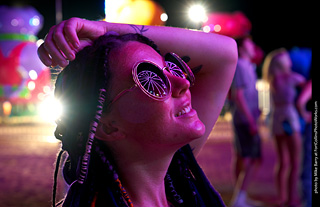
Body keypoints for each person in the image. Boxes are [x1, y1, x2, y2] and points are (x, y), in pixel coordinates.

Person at [37, 18, 238, 207]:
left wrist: (105, 30)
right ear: (108, 126)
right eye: (150, 80)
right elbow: (225, 54)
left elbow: (226, 52)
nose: (183, 83)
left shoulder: (175, 181)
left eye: (171, 68)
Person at [262, 48, 305, 207]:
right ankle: (292, 199)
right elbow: (305, 84)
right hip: (289, 118)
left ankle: (282, 197)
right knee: (295, 162)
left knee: (282, 162)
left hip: (276, 120)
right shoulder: (291, 78)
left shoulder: (272, 80)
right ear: (283, 63)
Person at [229, 37, 262, 207]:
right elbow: (238, 95)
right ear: (242, 48)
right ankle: (239, 198)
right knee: (250, 158)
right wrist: (250, 120)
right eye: (250, 43)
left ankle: (240, 195)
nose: (253, 46)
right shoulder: (241, 65)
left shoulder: (249, 66)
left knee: (245, 157)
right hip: (244, 120)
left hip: (248, 118)